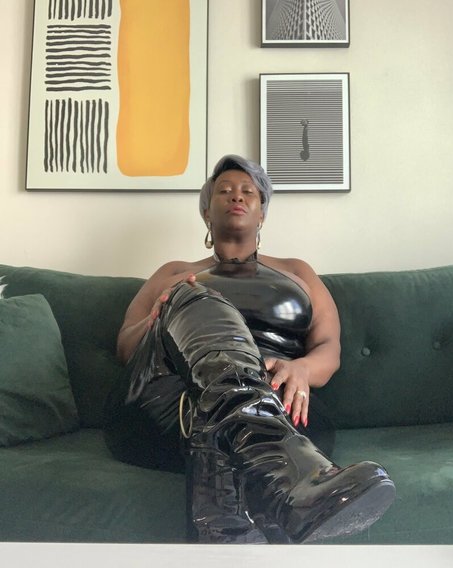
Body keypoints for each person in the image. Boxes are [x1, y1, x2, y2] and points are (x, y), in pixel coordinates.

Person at [104, 154, 395, 544]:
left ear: (262, 214)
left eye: (248, 192)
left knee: (218, 421)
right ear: (206, 212)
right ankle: (292, 477)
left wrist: (303, 368)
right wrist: (159, 314)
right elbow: (126, 348)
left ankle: (235, 541)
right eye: (224, 190)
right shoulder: (174, 273)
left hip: (280, 401)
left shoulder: (297, 271)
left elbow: (328, 347)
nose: (236, 196)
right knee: (191, 296)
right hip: (169, 402)